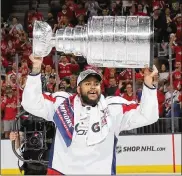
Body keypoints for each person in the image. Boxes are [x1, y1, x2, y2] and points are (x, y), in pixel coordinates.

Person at [21, 54, 159, 175]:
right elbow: (31, 104)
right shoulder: (62, 103)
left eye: (96, 83)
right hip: (61, 172)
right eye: (87, 83)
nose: (93, 86)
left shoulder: (114, 108)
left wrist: (148, 84)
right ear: (78, 89)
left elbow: (148, 116)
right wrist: (36, 68)